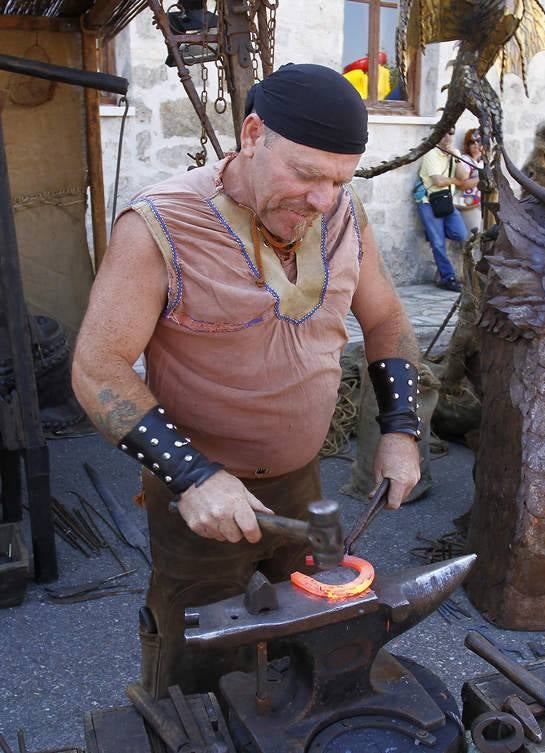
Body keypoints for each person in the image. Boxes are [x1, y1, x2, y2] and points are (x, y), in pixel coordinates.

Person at [71, 63, 422, 699]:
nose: (321, 200)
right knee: (198, 664)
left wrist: (401, 430)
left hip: (302, 486)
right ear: (252, 134)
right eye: (307, 174)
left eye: (339, 181)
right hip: (197, 493)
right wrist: (193, 478)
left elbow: (387, 319)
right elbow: (99, 368)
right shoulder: (161, 225)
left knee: (317, 643)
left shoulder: (343, 216)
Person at [416, 128, 470, 292]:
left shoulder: (455, 153)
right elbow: (438, 181)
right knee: (438, 244)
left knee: (461, 234)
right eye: (444, 132)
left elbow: (464, 177)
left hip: (446, 202)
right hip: (429, 201)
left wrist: (456, 158)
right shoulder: (431, 153)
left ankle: (433, 232)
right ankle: (448, 277)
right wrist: (457, 182)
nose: (448, 136)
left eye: (452, 133)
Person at [454, 127, 483, 234]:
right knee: (473, 236)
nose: (476, 144)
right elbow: (462, 184)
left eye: (479, 141)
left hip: (483, 204)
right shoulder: (465, 160)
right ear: (467, 145)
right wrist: (482, 178)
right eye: (472, 142)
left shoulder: (485, 161)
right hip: (469, 204)